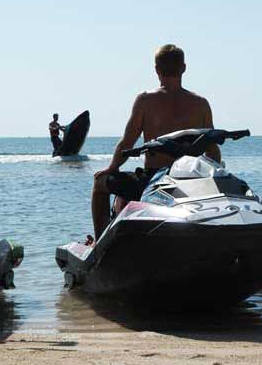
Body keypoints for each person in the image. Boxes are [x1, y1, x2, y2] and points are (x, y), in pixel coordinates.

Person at [90, 44, 219, 239]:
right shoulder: (201, 103)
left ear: (157, 70)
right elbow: (212, 149)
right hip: (192, 180)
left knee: (100, 183)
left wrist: (112, 167)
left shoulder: (145, 100)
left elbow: (127, 142)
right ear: (183, 68)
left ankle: (99, 245)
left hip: (153, 180)